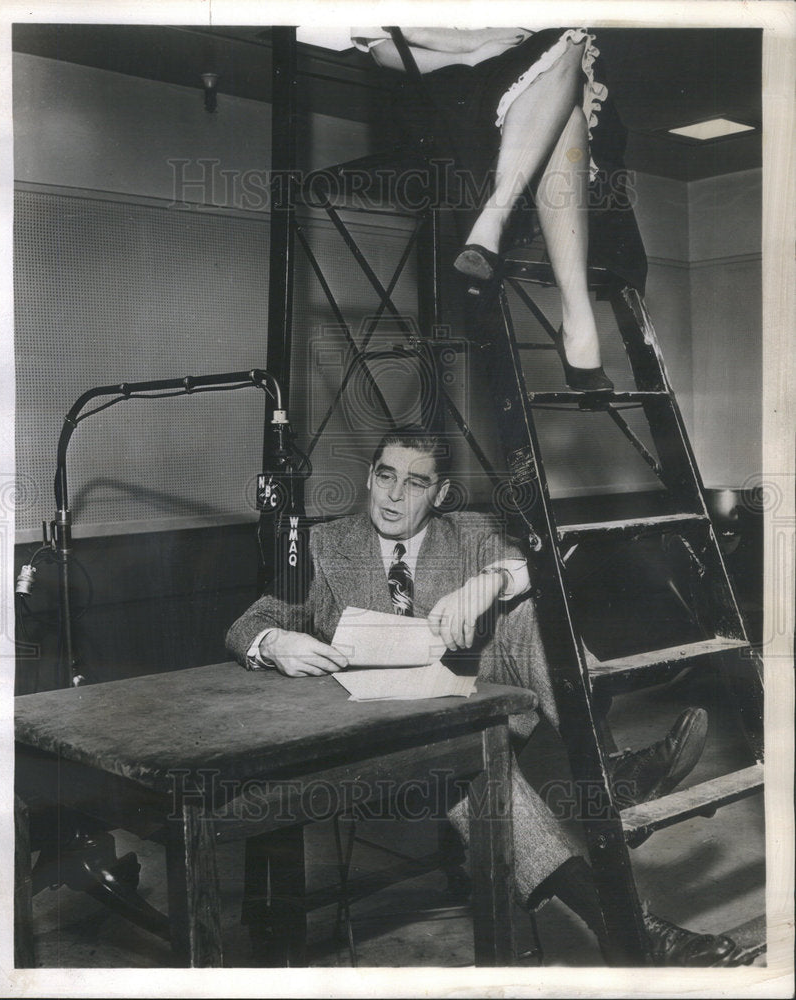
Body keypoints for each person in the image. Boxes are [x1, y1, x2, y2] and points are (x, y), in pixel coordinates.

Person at [227, 425, 748, 966]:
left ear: (439, 493)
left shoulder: (468, 532)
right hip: (384, 744)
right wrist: (276, 641)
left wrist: (491, 581)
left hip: (466, 711)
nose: (395, 495)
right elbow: (252, 622)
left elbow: (526, 564)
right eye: (385, 477)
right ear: (368, 477)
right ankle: (632, 929)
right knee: (476, 772)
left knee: (529, 613)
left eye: (415, 483)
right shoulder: (325, 544)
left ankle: (611, 771)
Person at [352, 26, 648, 392]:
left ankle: (494, 220)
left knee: (570, 66)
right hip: (447, 85)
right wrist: (472, 50)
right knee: (568, 72)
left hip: (530, 89)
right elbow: (383, 49)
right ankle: (577, 321)